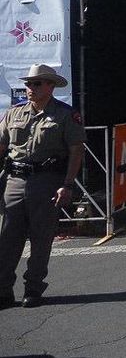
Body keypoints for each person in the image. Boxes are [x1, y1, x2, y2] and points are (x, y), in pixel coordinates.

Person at [0, 64, 86, 308]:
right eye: (28, 84)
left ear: (50, 86)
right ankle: (3, 290)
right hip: (14, 181)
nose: (30, 88)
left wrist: (67, 185)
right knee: (6, 238)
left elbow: (76, 151)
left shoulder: (65, 115)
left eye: (37, 84)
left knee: (41, 238)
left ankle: (34, 288)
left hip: (46, 181)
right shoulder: (14, 113)